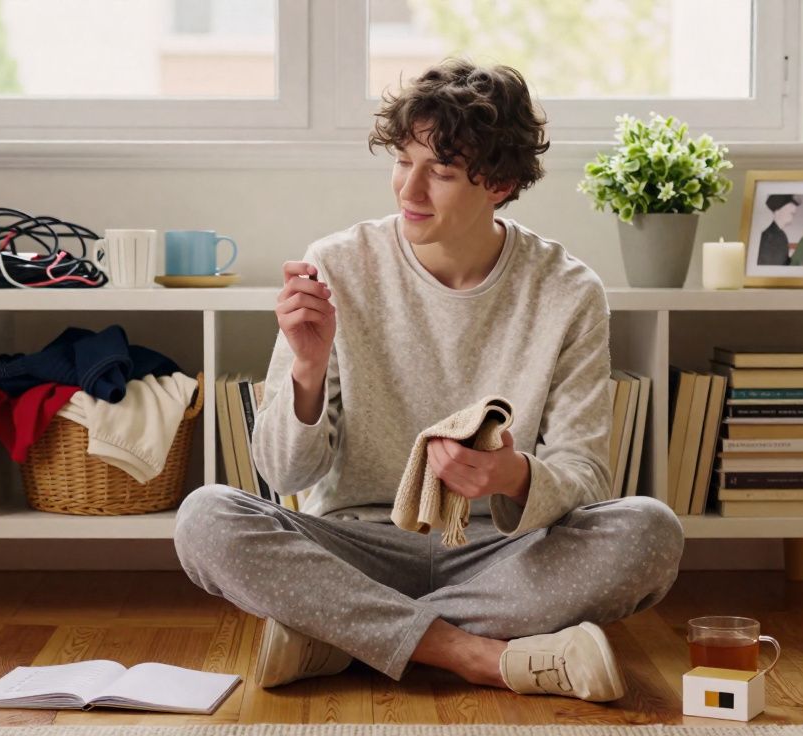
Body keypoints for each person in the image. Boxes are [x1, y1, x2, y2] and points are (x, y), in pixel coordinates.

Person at [174, 59, 684, 703]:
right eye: (401, 161)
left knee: (650, 531)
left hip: (504, 554)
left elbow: (587, 475)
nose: (409, 191)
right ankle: (474, 655)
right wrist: (306, 367)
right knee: (205, 518)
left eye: (440, 172)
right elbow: (285, 475)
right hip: (355, 543)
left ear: (498, 182)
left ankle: (339, 633)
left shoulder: (567, 290)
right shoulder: (338, 264)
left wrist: (511, 476)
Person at [757, 194, 801, 265]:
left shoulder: (782, 235)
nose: (794, 208)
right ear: (777, 211)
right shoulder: (768, 237)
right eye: (790, 204)